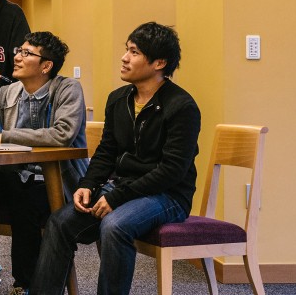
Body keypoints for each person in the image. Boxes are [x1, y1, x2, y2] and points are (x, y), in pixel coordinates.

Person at [30, 22, 201, 295]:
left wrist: (116, 197)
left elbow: (172, 171)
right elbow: (107, 152)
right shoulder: (118, 99)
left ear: (159, 62)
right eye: (126, 50)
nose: (124, 57)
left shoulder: (181, 106)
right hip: (123, 188)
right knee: (60, 222)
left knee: (115, 225)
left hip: (169, 196)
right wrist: (87, 184)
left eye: (134, 52)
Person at [0, 31, 89, 295]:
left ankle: (25, 284)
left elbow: (62, 134)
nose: (16, 56)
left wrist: (3, 135)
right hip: (14, 176)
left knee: (26, 194)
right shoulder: (6, 93)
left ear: (46, 65)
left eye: (26, 53)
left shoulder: (67, 89)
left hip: (56, 182)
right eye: (18, 50)